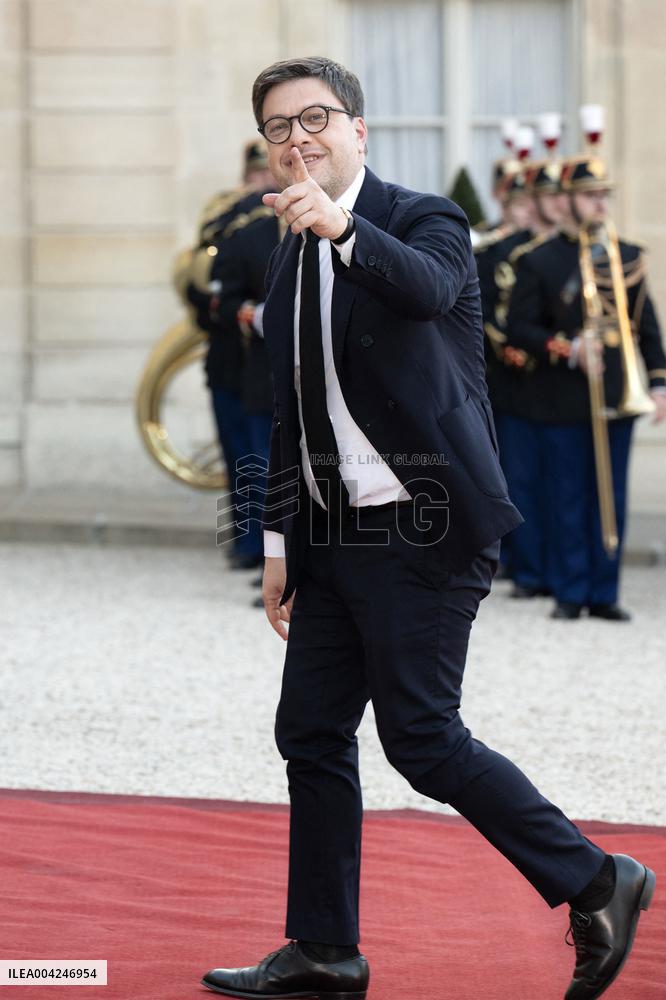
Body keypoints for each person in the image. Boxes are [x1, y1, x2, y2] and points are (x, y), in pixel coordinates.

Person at [201, 58, 655, 1000]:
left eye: (316, 119)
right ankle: (325, 951)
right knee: (310, 731)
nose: (299, 140)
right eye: (280, 128)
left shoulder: (423, 220)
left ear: (360, 131)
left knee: (421, 735)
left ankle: (597, 880)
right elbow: (291, 410)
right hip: (332, 539)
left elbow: (430, 291)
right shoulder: (284, 257)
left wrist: (344, 228)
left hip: (428, 522)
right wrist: (279, 547)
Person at [507, 152, 666, 620]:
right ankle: (571, 591)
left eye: (603, 196)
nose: (599, 204)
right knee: (569, 496)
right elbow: (519, 328)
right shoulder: (540, 261)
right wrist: (569, 348)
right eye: (590, 197)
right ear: (569, 202)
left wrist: (659, 384)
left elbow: (647, 327)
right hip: (562, 398)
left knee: (610, 493)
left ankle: (604, 591)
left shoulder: (627, 256)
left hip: (616, 395)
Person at [187, 142, 277, 570]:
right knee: (239, 458)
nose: (263, 182)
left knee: (265, 461)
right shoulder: (230, 222)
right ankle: (246, 542)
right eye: (257, 175)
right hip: (230, 361)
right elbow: (202, 292)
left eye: (269, 174)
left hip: (267, 367)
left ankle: (270, 546)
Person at [482, 158, 568, 597]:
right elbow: (487, 308)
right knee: (519, 479)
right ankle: (526, 565)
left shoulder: (567, 251)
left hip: (555, 380)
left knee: (559, 483)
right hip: (509, 379)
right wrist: (506, 344)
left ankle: (555, 567)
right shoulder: (505, 252)